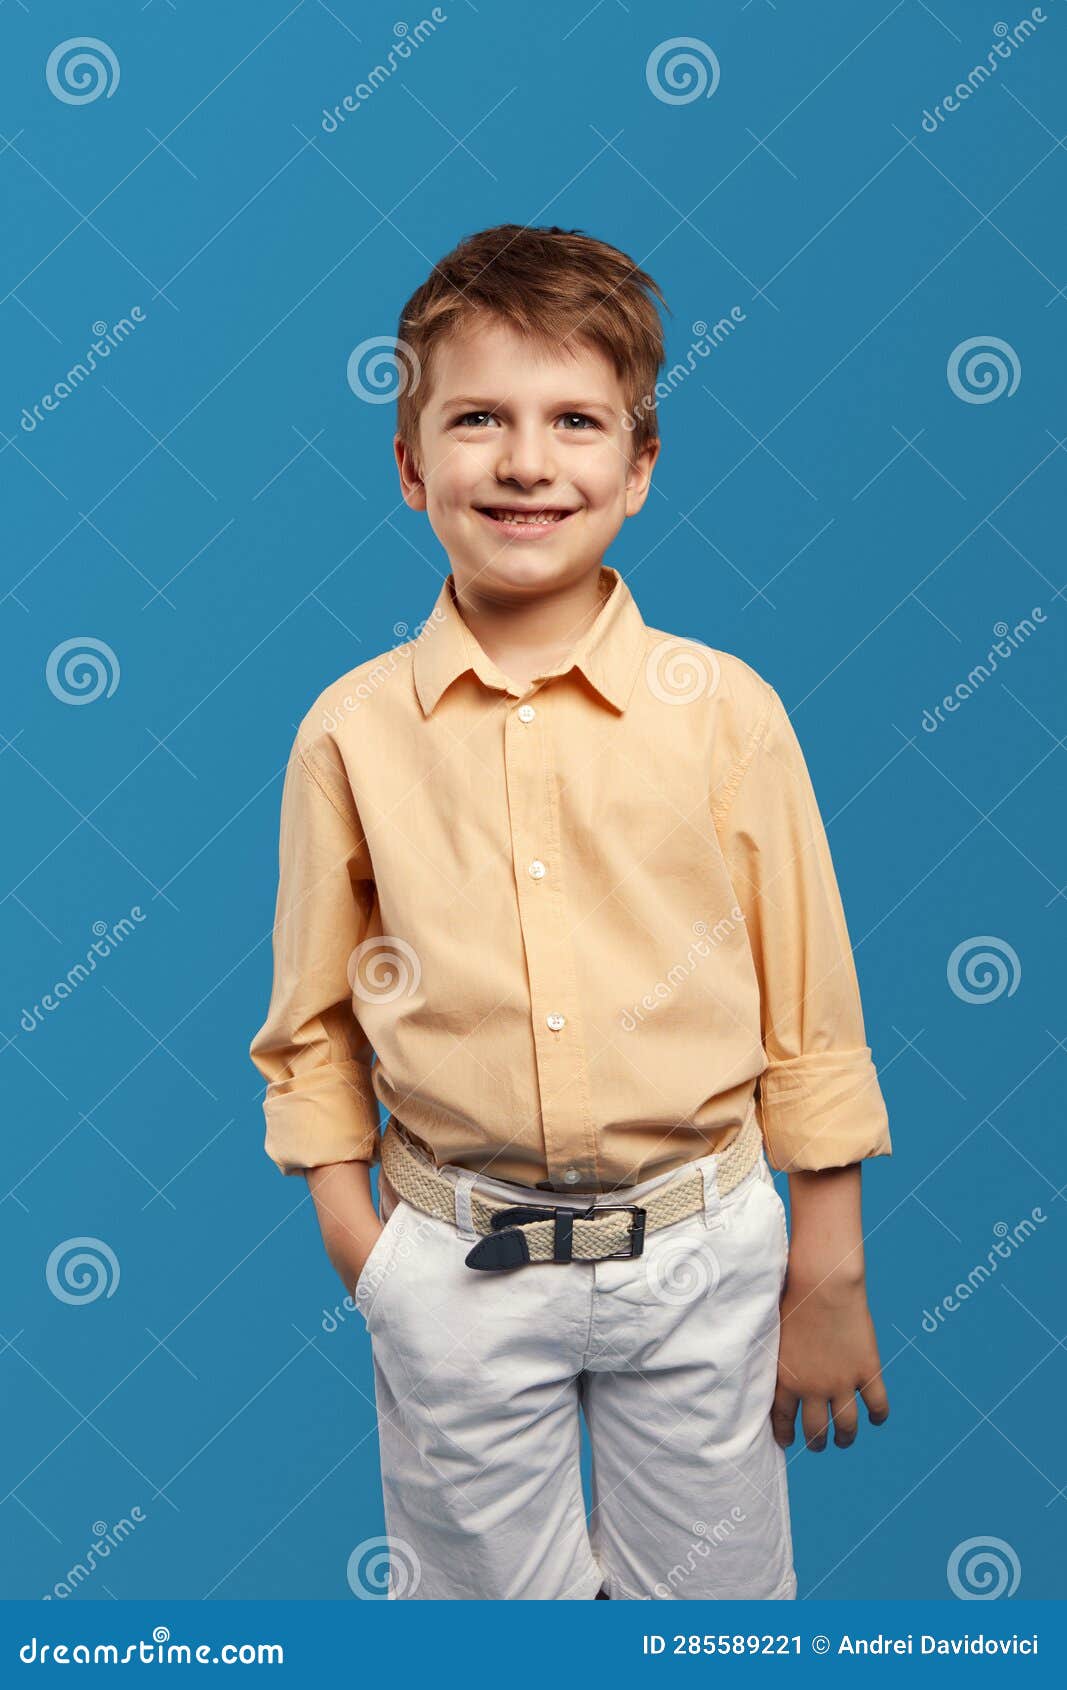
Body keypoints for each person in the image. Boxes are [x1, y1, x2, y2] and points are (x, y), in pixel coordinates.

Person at [249, 223, 891, 1602]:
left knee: (719, 1631)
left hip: (704, 1252)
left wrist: (825, 1267)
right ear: (413, 463)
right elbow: (307, 1027)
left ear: (641, 465)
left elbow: (810, 1005)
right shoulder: (350, 733)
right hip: (454, 1262)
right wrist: (369, 1255)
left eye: (576, 421)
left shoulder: (725, 711)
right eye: (477, 418)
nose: (527, 461)